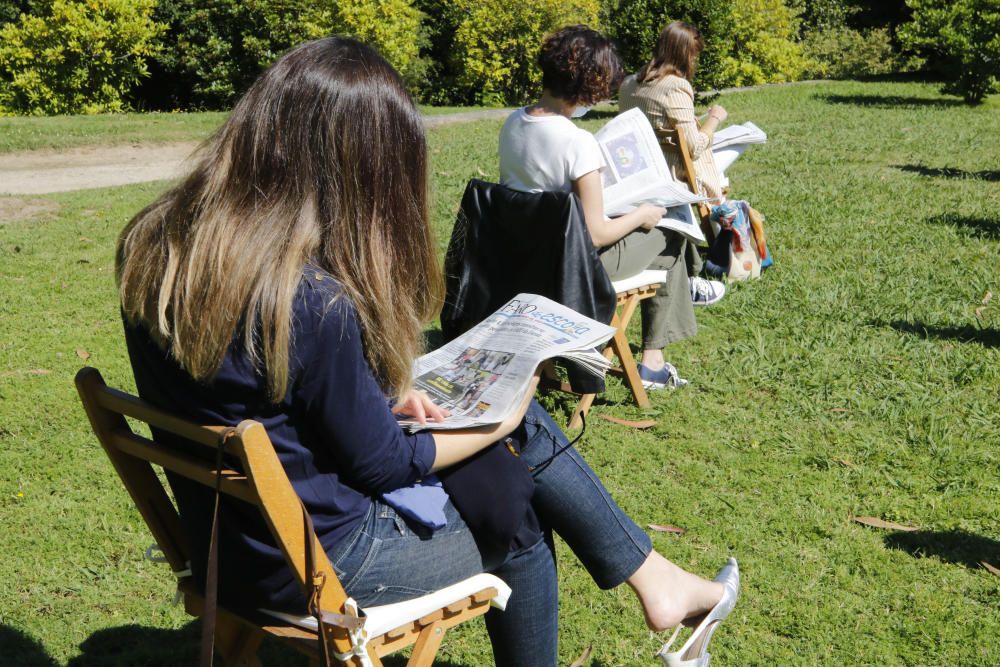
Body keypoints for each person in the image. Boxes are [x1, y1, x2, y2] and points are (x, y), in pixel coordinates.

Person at [115, 36, 738, 666]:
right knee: (517, 515)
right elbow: (384, 465)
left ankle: (655, 578)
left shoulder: (157, 243)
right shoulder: (309, 299)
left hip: (227, 539)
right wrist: (507, 413)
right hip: (320, 562)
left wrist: (389, 392)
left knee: (502, 462)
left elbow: (267, 389)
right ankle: (654, 580)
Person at [498, 25, 725, 391]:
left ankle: (654, 353)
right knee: (671, 234)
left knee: (663, 229)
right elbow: (596, 233)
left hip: (524, 259)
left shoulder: (513, 123)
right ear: (590, 82)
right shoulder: (577, 143)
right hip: (571, 270)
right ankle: (653, 361)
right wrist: (642, 214)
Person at [618, 21, 728, 203]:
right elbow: (694, 148)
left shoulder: (628, 84)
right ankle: (722, 223)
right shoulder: (676, 86)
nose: (694, 62)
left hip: (638, 172)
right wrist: (714, 118)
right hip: (672, 175)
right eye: (694, 56)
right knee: (734, 146)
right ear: (685, 55)